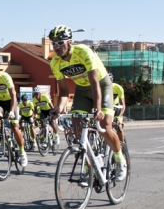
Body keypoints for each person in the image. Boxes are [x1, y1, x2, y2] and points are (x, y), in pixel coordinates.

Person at [46, 25, 127, 181]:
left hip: (101, 86)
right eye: (53, 43)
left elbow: (95, 82)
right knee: (76, 125)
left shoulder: (83, 52)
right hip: (82, 90)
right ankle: (88, 164)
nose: (56, 47)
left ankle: (119, 159)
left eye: (60, 42)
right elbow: (63, 91)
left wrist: (98, 109)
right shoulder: (55, 62)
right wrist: (60, 107)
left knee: (104, 127)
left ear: (69, 42)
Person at [109, 73, 127, 143]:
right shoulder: (100, 88)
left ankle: (122, 145)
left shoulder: (118, 88)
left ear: (112, 81)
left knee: (118, 127)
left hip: (116, 109)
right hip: (106, 108)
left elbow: (123, 105)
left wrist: (119, 116)